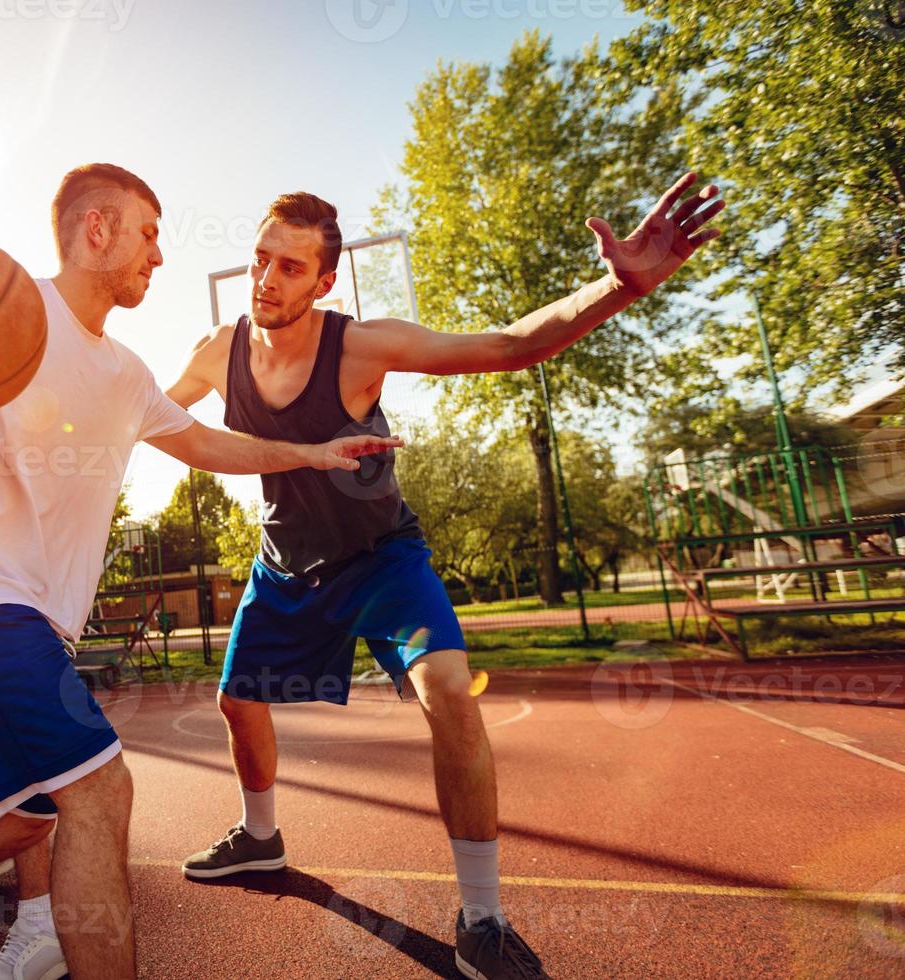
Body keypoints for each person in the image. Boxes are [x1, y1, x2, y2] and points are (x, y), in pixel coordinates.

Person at [0, 163, 402, 980]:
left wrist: (311, 452)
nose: (159, 256)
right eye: (149, 235)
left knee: (26, 815)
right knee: (101, 790)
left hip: (19, 617)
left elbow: (207, 442)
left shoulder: (123, 372)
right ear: (97, 230)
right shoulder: (0, 314)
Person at [166, 174, 724, 980]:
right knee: (237, 703)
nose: (266, 279)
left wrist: (617, 287)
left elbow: (505, 347)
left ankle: (483, 920)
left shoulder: (360, 345)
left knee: (451, 691)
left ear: (324, 282)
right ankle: (260, 839)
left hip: (383, 558)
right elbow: (151, 410)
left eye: (289, 268)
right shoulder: (217, 352)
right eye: (259, 259)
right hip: (287, 565)